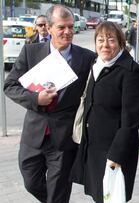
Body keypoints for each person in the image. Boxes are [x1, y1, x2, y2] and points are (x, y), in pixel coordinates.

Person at [3, 5, 95, 203]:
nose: (68, 32)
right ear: (49, 28)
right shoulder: (31, 52)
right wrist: (36, 99)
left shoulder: (86, 58)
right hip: (33, 136)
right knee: (31, 183)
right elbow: (10, 86)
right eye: (62, 27)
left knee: (59, 191)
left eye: (71, 27)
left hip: (63, 139)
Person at [70, 21, 139, 203]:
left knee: (112, 196)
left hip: (114, 150)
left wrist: (116, 155)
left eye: (111, 40)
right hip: (94, 147)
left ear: (120, 42)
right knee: (100, 196)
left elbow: (131, 120)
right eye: (101, 40)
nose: (105, 45)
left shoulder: (130, 71)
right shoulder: (96, 66)